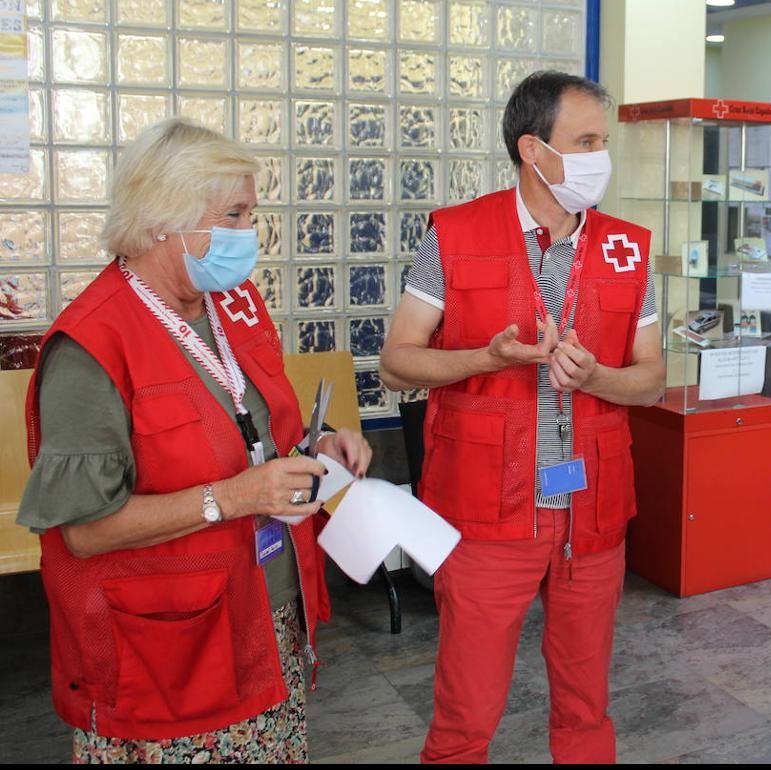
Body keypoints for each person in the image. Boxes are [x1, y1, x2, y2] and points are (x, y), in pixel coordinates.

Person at [17, 118, 372, 763]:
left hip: (264, 620)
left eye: (250, 215)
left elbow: (256, 437)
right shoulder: (93, 347)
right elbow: (84, 531)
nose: (249, 236)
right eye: (233, 215)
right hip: (169, 659)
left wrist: (319, 452)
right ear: (163, 220)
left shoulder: (230, 305)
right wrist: (231, 499)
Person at [379, 71, 664, 764]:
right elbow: (395, 364)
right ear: (533, 150)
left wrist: (598, 376)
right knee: (465, 715)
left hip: (589, 516)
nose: (602, 156)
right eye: (586, 141)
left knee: (585, 707)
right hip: (484, 514)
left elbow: (652, 380)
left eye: (604, 140)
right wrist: (484, 358)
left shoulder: (627, 246)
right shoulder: (454, 235)